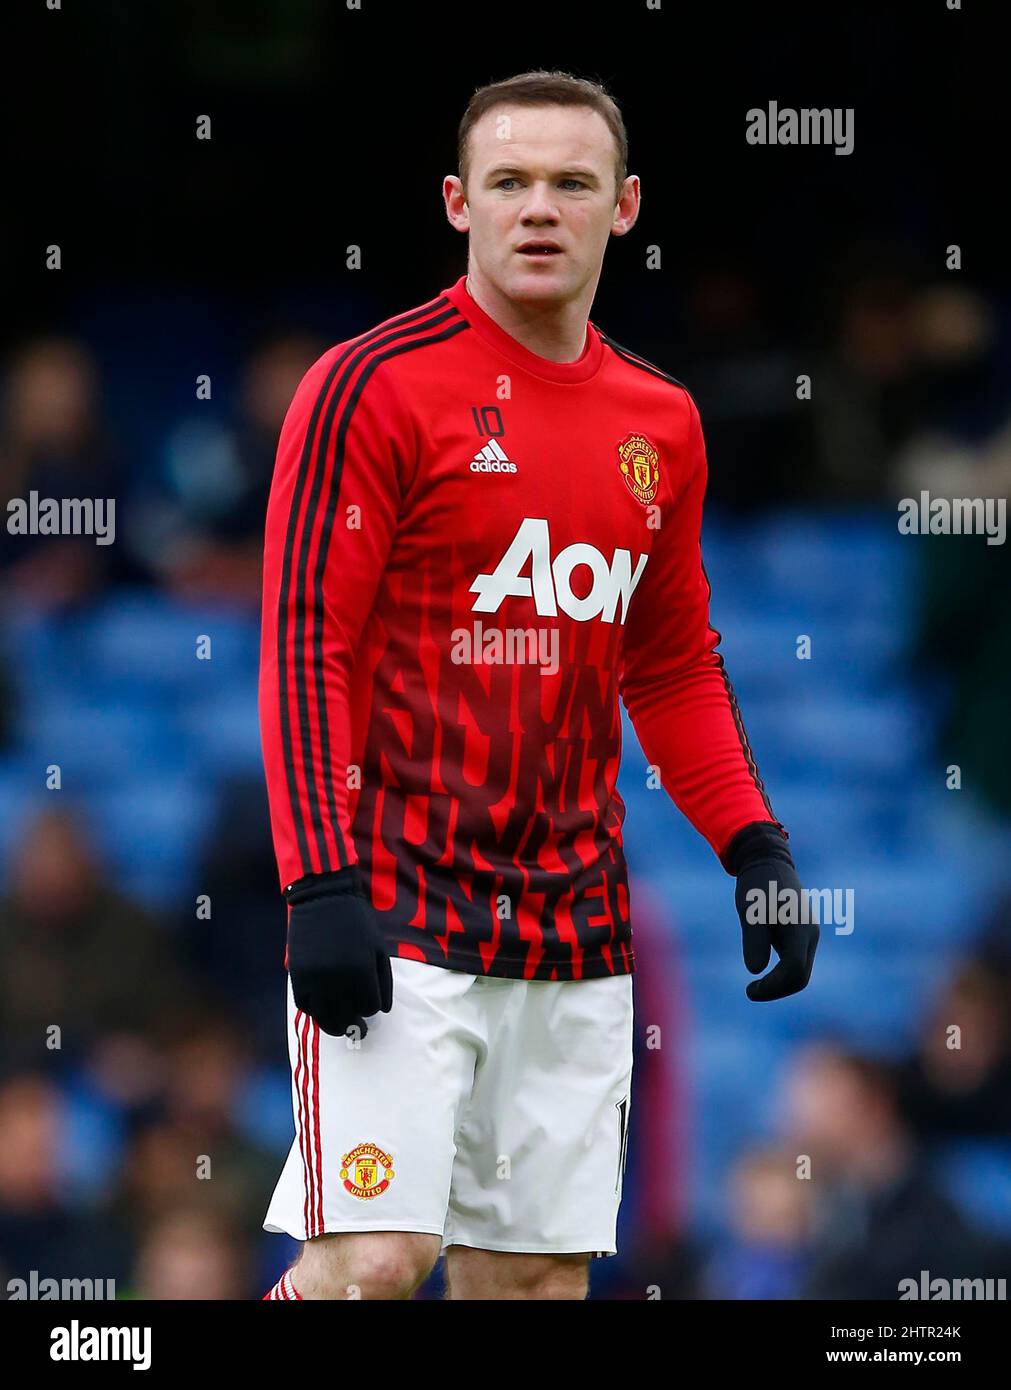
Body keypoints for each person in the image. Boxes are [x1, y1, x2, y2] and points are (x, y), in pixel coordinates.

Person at [257, 69, 817, 1302]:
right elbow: (308, 643)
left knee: (533, 1287)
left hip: (573, 923)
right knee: (371, 1264)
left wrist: (755, 846)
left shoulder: (659, 420)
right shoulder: (371, 384)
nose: (538, 208)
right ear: (459, 203)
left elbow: (667, 660)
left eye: (571, 182)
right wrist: (322, 883)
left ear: (624, 208)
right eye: (508, 181)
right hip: (396, 896)